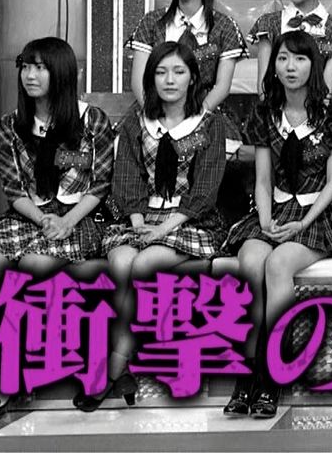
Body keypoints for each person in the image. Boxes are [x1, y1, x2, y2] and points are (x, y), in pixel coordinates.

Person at [0, 38, 114, 421]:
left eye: (41, 67)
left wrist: (65, 222)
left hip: (79, 219)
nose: (30, 75)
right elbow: (14, 189)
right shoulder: (11, 126)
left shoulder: (92, 121)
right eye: (26, 66)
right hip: (30, 216)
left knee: (33, 266)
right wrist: (42, 220)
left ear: (62, 73)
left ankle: (4, 380)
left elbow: (101, 184)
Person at [79, 41, 228, 412]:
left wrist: (161, 231)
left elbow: (205, 190)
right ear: (150, 79)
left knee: (144, 265)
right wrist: (137, 221)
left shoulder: (210, 124)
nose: (169, 80)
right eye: (160, 72)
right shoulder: (136, 122)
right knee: (121, 263)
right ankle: (122, 367)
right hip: (141, 218)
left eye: (178, 72)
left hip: (189, 220)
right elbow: (126, 177)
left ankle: (110, 369)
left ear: (193, 77)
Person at [220, 31, 332, 418]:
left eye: (299, 59)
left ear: (314, 64)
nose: (290, 67)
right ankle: (247, 370)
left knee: (279, 264)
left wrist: (301, 225)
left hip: (319, 214)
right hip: (274, 210)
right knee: (252, 262)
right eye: (282, 59)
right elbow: (263, 180)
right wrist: (265, 222)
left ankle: (271, 374)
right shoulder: (266, 111)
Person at [127, 0, 246, 113]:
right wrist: (156, 115)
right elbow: (138, 81)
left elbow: (222, 86)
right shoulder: (152, 22)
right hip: (154, 110)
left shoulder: (224, 26)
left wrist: (196, 118)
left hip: (204, 111)